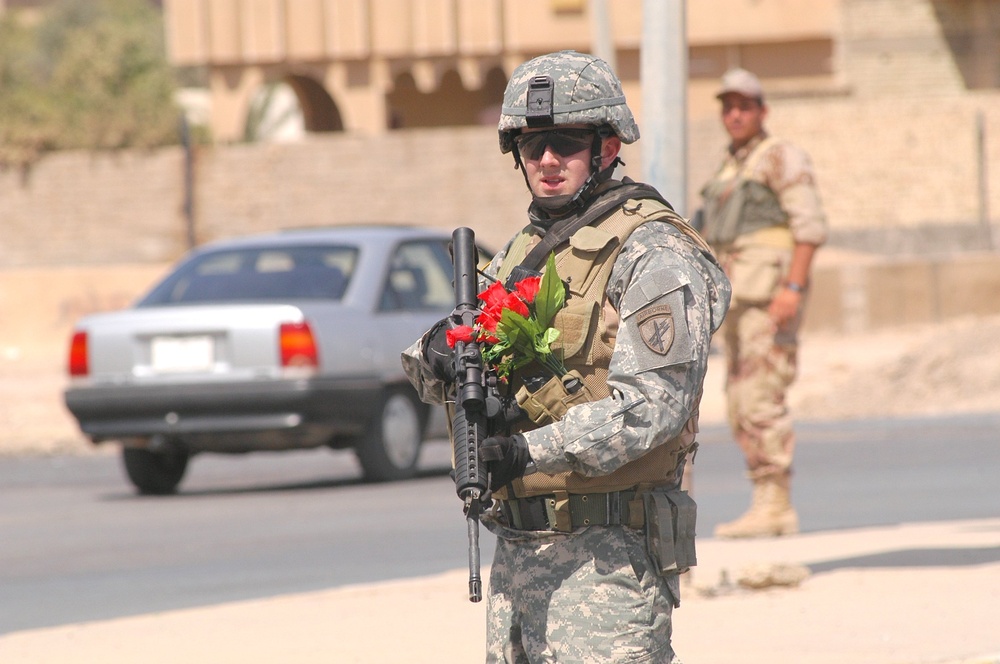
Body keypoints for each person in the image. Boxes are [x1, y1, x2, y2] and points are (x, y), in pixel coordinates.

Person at [402, 50, 730, 662]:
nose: (548, 160)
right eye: (532, 147)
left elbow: (653, 407)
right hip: (520, 555)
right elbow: (441, 365)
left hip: (608, 558)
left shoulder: (654, 251)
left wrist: (526, 451)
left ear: (607, 147)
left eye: (566, 142)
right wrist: (438, 355)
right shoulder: (529, 249)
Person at [698, 68, 828, 539]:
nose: (735, 114)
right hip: (738, 298)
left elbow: (809, 228)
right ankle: (764, 499)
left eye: (744, 106)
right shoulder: (732, 164)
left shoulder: (779, 157)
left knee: (761, 396)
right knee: (738, 399)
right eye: (728, 106)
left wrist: (792, 290)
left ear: (762, 111)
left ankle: (776, 502)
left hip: (769, 295)